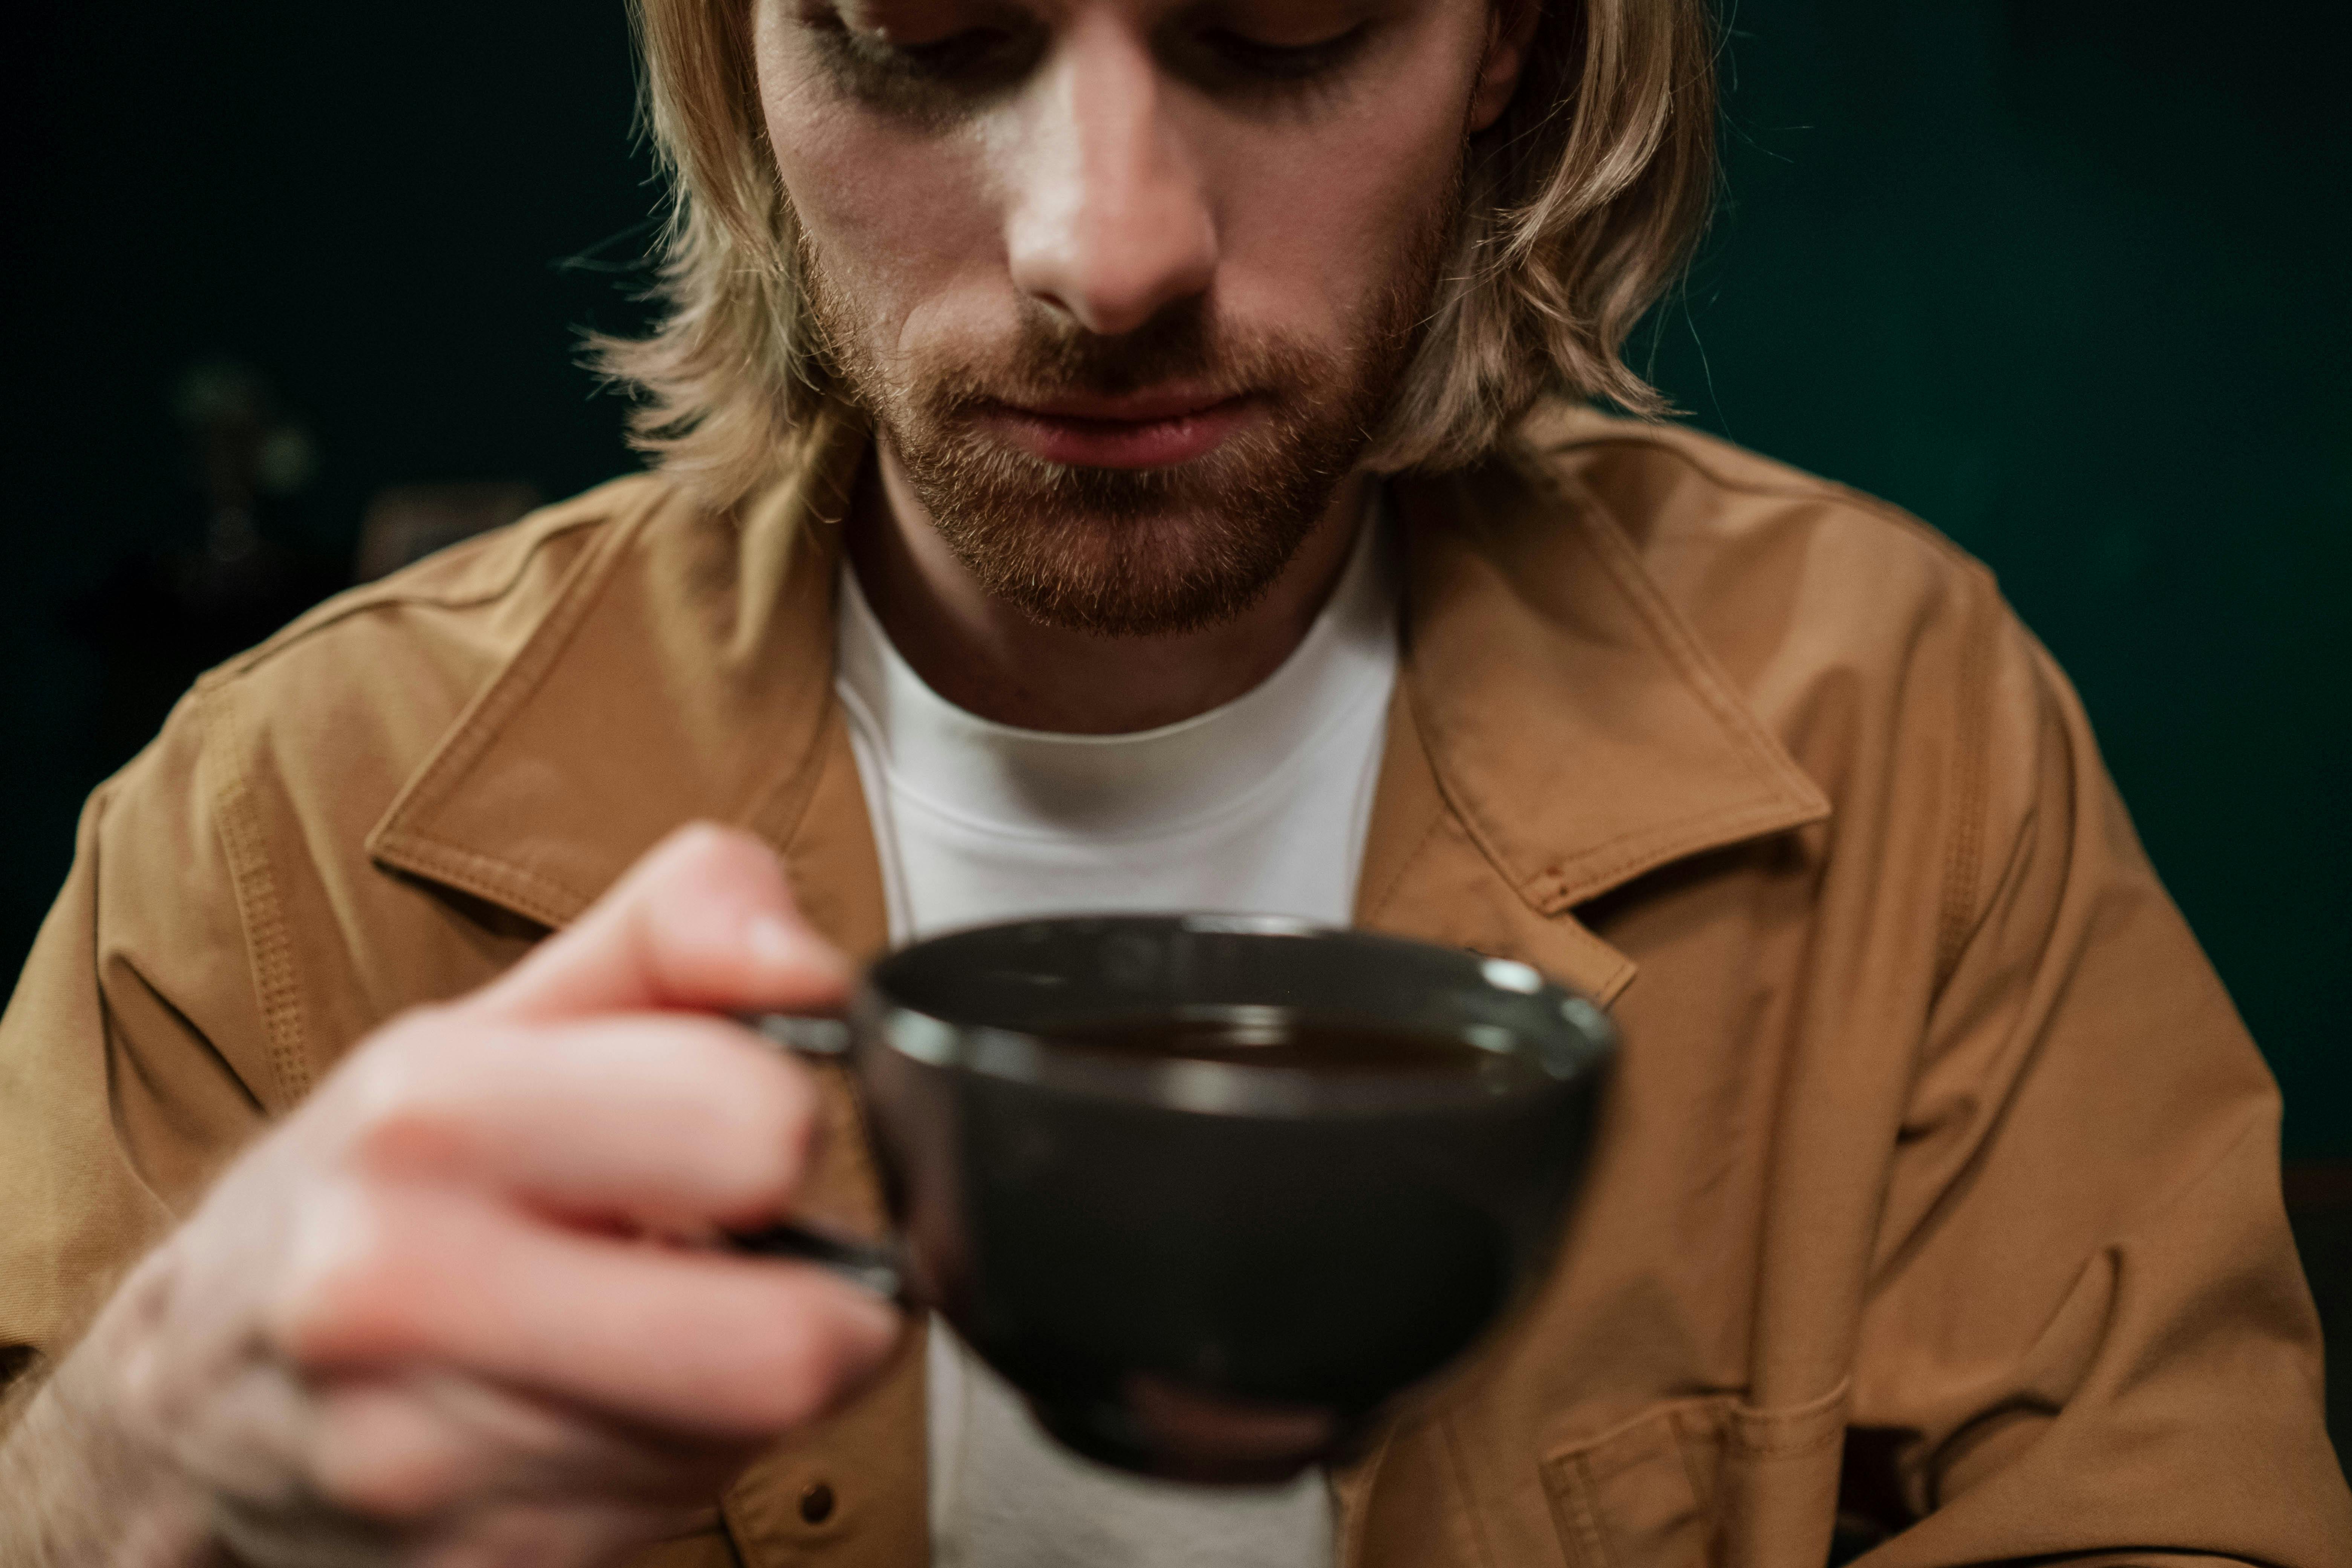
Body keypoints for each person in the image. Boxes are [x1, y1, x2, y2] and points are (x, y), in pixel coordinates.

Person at [0, 0, 2344, 1560]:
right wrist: (129, 1476)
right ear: (735, 47)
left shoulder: (1898, 716)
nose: (1103, 253)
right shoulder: (276, 826)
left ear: (1513, 40)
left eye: (1292, 21)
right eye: (925, 31)